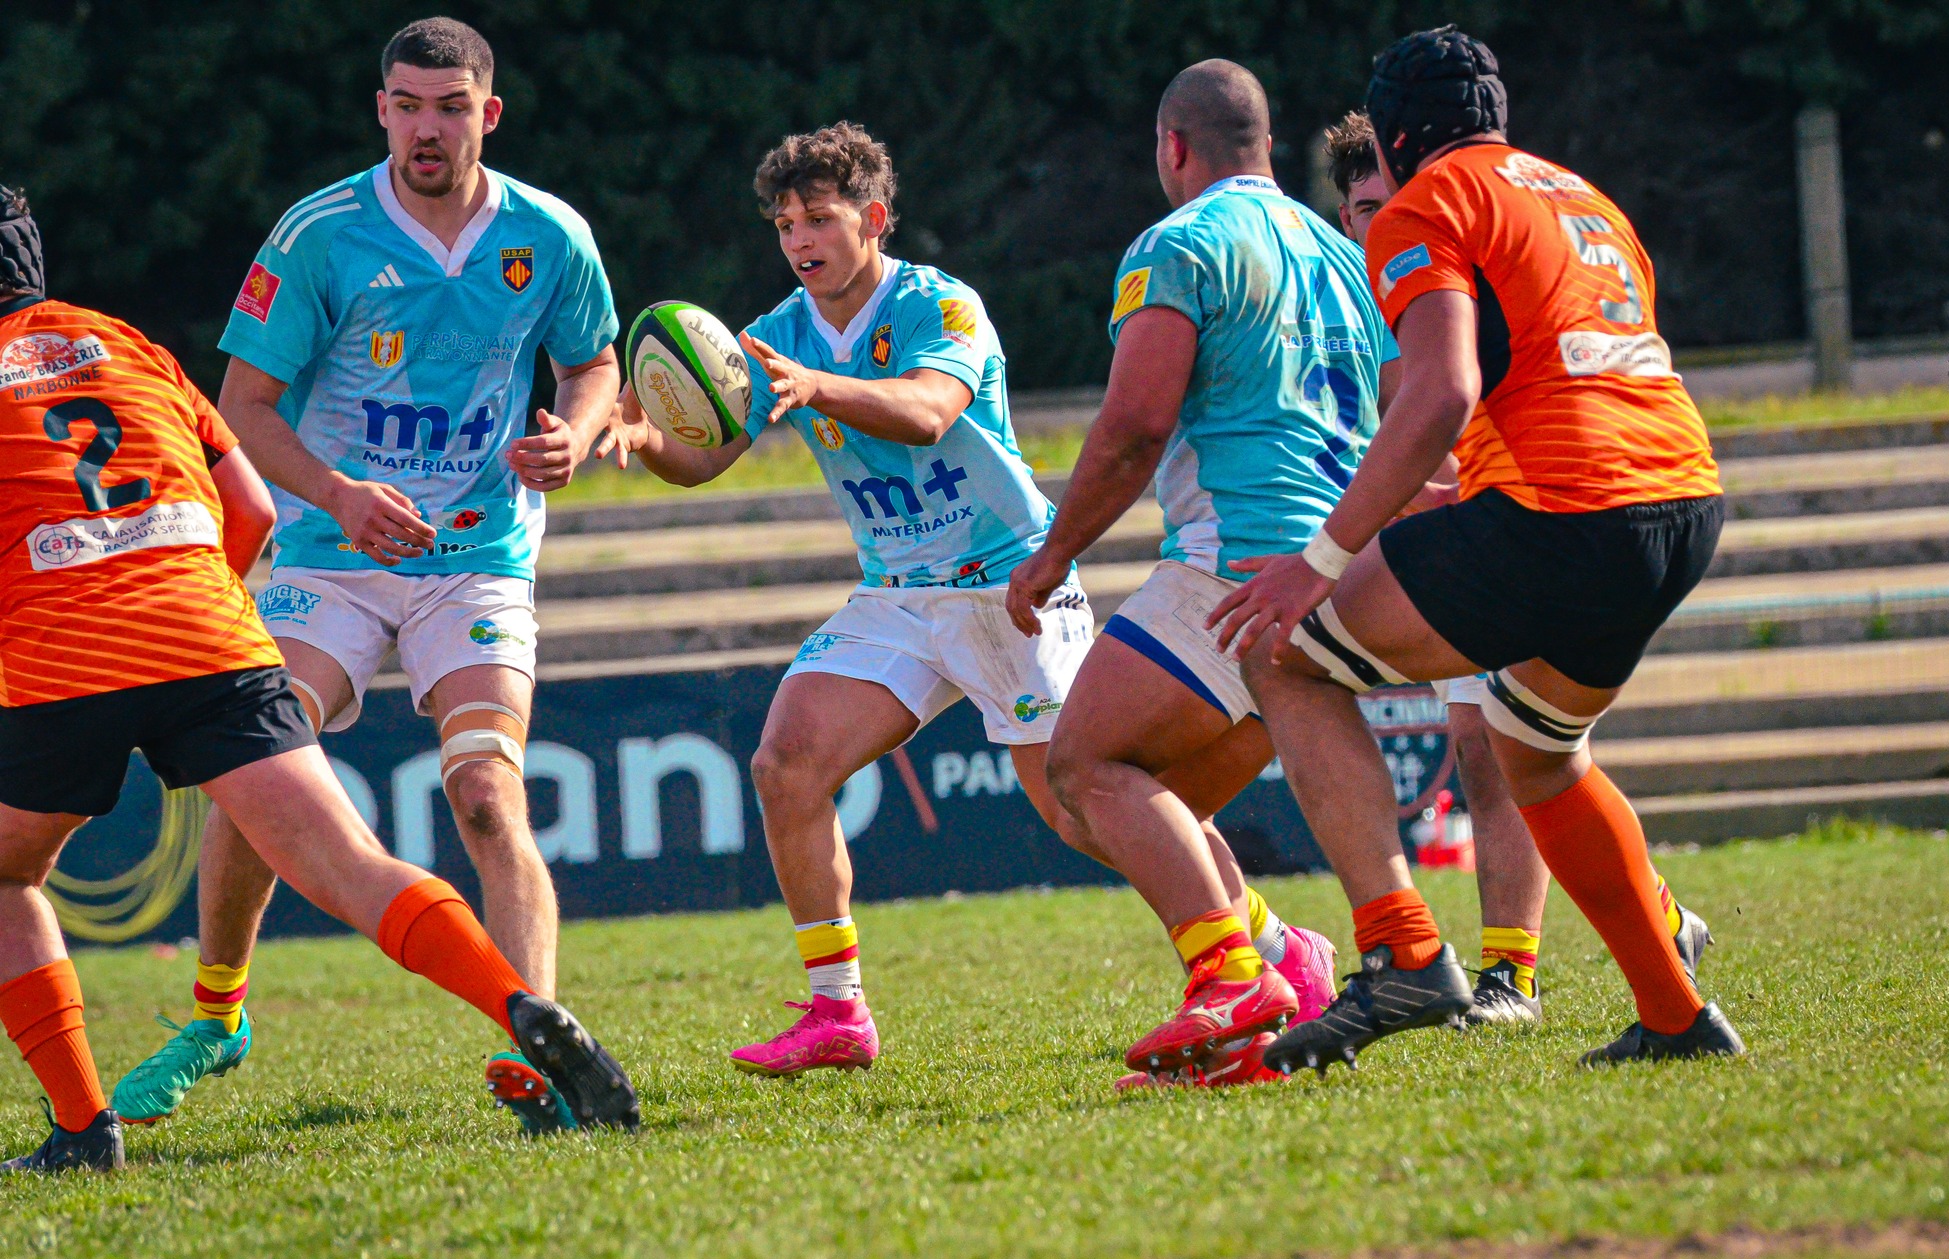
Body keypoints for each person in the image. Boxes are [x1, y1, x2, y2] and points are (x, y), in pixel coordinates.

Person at [609, 122, 1328, 1081]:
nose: (799, 239)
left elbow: (928, 411)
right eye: (784, 225)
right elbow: (706, 462)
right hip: (899, 597)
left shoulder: (941, 304)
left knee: (1086, 812)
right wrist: (645, 440)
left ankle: (1276, 952)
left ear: (873, 218)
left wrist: (818, 386)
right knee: (787, 763)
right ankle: (836, 1010)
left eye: (818, 218)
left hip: (1012, 586)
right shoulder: (776, 335)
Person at [0, 187, 636, 1173]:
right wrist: (187, 612)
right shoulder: (126, 344)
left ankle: (84, 1131)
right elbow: (249, 509)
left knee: (5, 878)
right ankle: (520, 1005)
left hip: (68, 650)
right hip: (207, 626)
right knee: (347, 862)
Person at [109, 18, 623, 1135]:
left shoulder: (549, 234)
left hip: (476, 554)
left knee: (485, 795)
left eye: (450, 107)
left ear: (489, 114)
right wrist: (341, 495)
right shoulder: (320, 235)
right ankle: (217, 1015)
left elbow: (592, 362)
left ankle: (537, 1048)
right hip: (330, 556)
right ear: (381, 110)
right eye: (407, 105)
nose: (426, 128)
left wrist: (576, 434)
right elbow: (243, 409)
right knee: (258, 763)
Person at [1210, 27, 1745, 1072]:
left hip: (1563, 511)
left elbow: (1441, 390)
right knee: (1534, 751)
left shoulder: (1424, 202)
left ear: (1397, 138)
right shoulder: (1583, 198)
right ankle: (1675, 1016)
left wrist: (1318, 561)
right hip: (1680, 501)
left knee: (1281, 653)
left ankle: (1404, 954)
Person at [1004, 61, 1394, 1087]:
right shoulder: (1344, 251)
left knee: (1082, 770)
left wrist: (1055, 553)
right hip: (1338, 577)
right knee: (1157, 811)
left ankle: (1232, 976)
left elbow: (1135, 426)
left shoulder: (1178, 244)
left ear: (1172, 147)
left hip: (1238, 568)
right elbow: (1400, 410)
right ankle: (1266, 1001)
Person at [1319, 111, 1713, 1026]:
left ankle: (1506, 973)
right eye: (1361, 210)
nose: (1378, 220)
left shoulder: (1445, 244)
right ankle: (1661, 928)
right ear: (1344, 216)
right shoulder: (1364, 279)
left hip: (1511, 522)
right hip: (1477, 526)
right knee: (1522, 745)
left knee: (1492, 746)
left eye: (1384, 201)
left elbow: (1453, 404)